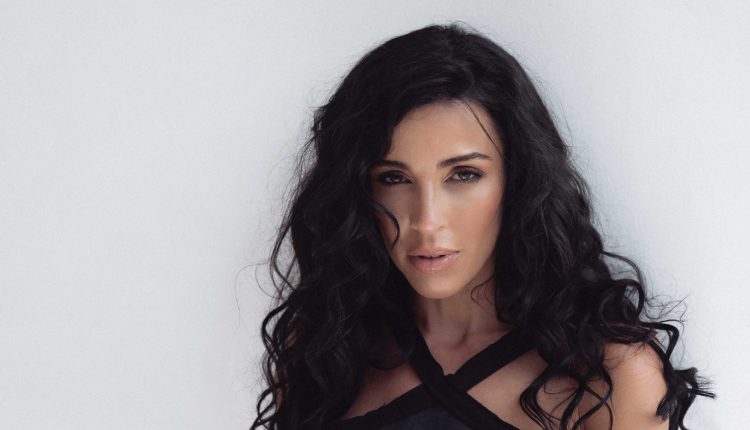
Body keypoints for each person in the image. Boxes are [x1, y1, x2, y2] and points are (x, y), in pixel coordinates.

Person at [250, 23, 714, 430]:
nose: (427, 220)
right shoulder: (323, 353)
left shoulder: (608, 372)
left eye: (464, 175)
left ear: (517, 180)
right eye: (393, 178)